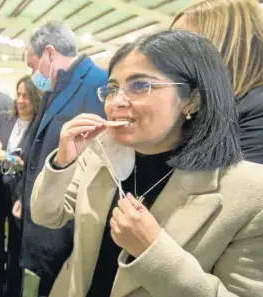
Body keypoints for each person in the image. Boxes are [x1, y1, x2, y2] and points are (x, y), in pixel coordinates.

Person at [32, 30, 263, 297]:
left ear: (192, 100)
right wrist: (63, 161)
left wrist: (152, 251)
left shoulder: (251, 193)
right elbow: (46, 215)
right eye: (112, 89)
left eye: (140, 86)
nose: (116, 102)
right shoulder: (100, 153)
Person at [19, 20, 107, 297]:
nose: (34, 74)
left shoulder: (96, 85)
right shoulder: (56, 89)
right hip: (45, 213)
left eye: (33, 66)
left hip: (66, 227)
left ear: (49, 53)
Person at [171, 0, 263, 164]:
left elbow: (234, 185)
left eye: (181, 45)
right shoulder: (207, 107)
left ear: (230, 45)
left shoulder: (256, 111)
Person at [0, 76, 42, 297]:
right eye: (18, 94)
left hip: (20, 191)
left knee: (17, 245)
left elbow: (41, 161)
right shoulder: (3, 118)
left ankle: (13, 290)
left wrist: (24, 165)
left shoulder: (39, 127)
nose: (20, 100)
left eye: (26, 95)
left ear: (35, 98)